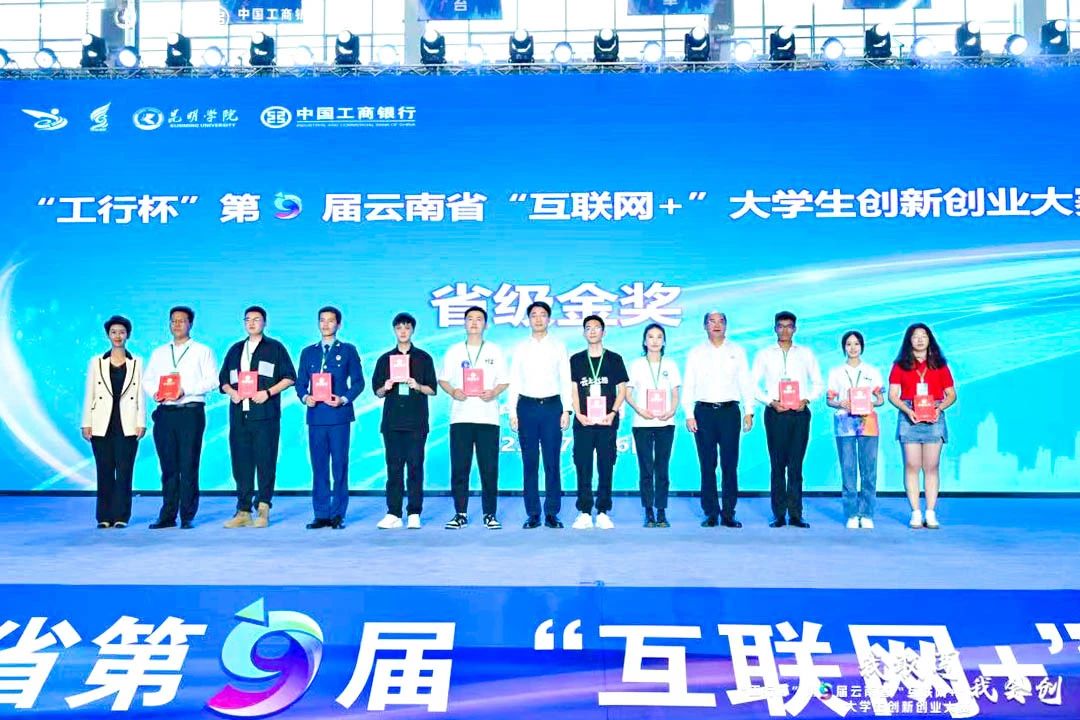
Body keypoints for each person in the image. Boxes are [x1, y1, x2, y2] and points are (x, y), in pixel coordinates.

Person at [218, 306, 296, 529]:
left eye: (256, 319)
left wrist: (268, 393)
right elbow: (223, 381)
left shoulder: (275, 348)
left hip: (265, 416)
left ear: (264, 323)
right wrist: (232, 392)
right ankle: (243, 511)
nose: (251, 323)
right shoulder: (235, 349)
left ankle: (263, 507)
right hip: (239, 415)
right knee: (240, 463)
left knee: (265, 461)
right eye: (248, 320)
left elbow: (290, 377)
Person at [142, 306, 218, 529]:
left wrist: (186, 390)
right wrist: (155, 392)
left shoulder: (202, 350)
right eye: (173, 321)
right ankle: (167, 515)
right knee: (168, 467)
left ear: (190, 324)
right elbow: (148, 380)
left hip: (190, 412)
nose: (177, 324)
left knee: (188, 464)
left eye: (182, 321)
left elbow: (213, 380)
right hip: (165, 413)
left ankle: (187, 515)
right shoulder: (159, 352)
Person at [681, 311, 755, 528]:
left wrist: (749, 411)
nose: (716, 325)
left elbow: (745, 381)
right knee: (707, 464)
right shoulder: (696, 353)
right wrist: (689, 414)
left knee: (730, 464)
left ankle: (729, 512)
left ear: (726, 325)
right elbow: (689, 384)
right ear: (705, 326)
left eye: (721, 321)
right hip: (703, 412)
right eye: (711, 321)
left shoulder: (737, 351)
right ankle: (711, 512)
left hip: (730, 412)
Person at [438, 306, 509, 530]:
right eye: (470, 319)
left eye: (479, 319)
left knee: (489, 468)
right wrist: (453, 392)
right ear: (464, 323)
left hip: (488, 418)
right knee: (460, 468)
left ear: (485, 324)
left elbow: (504, 380)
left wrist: (493, 392)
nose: (474, 323)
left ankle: (490, 513)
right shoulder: (454, 351)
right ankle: (460, 513)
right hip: (461, 417)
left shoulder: (494, 351)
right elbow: (443, 380)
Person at [752, 311, 824, 528]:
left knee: (795, 466)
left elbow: (818, 384)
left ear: (795, 329)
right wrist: (770, 402)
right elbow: (752, 384)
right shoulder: (765, 354)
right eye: (781, 326)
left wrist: (806, 400)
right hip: (776, 413)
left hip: (799, 413)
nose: (785, 330)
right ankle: (778, 514)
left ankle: (795, 514)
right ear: (775, 328)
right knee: (777, 465)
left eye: (789, 326)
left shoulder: (806, 354)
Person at [296, 306, 364, 530]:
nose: (325, 324)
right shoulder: (308, 352)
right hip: (316, 417)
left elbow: (358, 383)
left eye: (330, 320)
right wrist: (305, 397)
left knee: (340, 466)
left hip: (338, 417)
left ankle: (337, 514)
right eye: (322, 320)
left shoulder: (348, 350)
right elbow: (300, 383)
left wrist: (343, 399)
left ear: (339, 324)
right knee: (319, 467)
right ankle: (321, 514)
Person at [507, 301, 572, 529]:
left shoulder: (558, 346)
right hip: (526, 407)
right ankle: (533, 513)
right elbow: (514, 379)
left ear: (549, 319)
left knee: (552, 462)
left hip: (552, 407)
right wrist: (512, 411)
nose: (538, 319)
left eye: (542, 315)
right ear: (528, 319)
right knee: (530, 462)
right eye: (533, 315)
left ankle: (552, 512)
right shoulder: (520, 347)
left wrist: (567, 410)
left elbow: (565, 379)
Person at [372, 312, 438, 529]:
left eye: (407, 328)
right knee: (393, 469)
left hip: (416, 422)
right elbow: (377, 392)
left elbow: (432, 390)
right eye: (399, 328)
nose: (403, 332)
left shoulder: (424, 358)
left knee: (415, 467)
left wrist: (417, 385)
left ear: (413, 331)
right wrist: (386, 386)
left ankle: (414, 513)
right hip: (392, 422)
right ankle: (393, 513)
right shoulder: (384, 359)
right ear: (394, 330)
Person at [888, 323, 957, 530]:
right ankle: (916, 512)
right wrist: (907, 410)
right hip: (909, 414)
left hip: (934, 414)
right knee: (911, 465)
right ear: (909, 340)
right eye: (915, 336)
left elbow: (951, 395)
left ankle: (931, 512)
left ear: (930, 339)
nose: (919, 340)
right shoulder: (899, 365)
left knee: (932, 466)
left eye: (923, 336)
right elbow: (893, 395)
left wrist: (938, 408)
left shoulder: (940, 365)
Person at [81, 315, 145, 529]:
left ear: (128, 335)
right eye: (114, 332)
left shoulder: (137, 362)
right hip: (101, 423)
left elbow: (140, 394)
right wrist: (86, 422)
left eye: (122, 332)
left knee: (125, 472)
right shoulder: (97, 361)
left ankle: (121, 516)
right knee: (104, 471)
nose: (118, 336)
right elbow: (89, 392)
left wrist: (141, 422)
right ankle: (103, 516)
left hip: (127, 424)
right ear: (108, 335)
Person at [568, 315, 628, 530]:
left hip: (607, 422)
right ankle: (584, 511)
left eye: (596, 327)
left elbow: (622, 390)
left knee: (606, 465)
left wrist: (612, 412)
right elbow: (573, 390)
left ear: (604, 332)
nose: (592, 331)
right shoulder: (576, 360)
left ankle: (603, 511)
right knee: (583, 465)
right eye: (588, 328)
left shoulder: (614, 359)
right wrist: (578, 413)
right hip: (583, 422)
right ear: (584, 333)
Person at [825, 330, 884, 530]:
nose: (853, 347)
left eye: (856, 344)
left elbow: (880, 400)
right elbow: (829, 400)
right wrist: (840, 402)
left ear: (862, 346)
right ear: (844, 347)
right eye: (849, 344)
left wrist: (871, 402)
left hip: (868, 422)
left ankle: (866, 513)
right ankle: (851, 513)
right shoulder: (836, 372)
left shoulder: (872, 371)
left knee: (869, 469)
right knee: (848, 468)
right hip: (845, 423)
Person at [625, 323, 681, 528]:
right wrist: (640, 410)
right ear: (644, 341)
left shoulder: (671, 364)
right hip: (642, 423)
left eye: (659, 337)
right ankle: (648, 510)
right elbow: (627, 393)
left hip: (666, 422)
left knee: (662, 468)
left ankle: (661, 510)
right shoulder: (637, 365)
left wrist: (672, 410)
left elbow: (675, 393)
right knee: (646, 468)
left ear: (664, 341)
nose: (655, 341)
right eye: (651, 336)